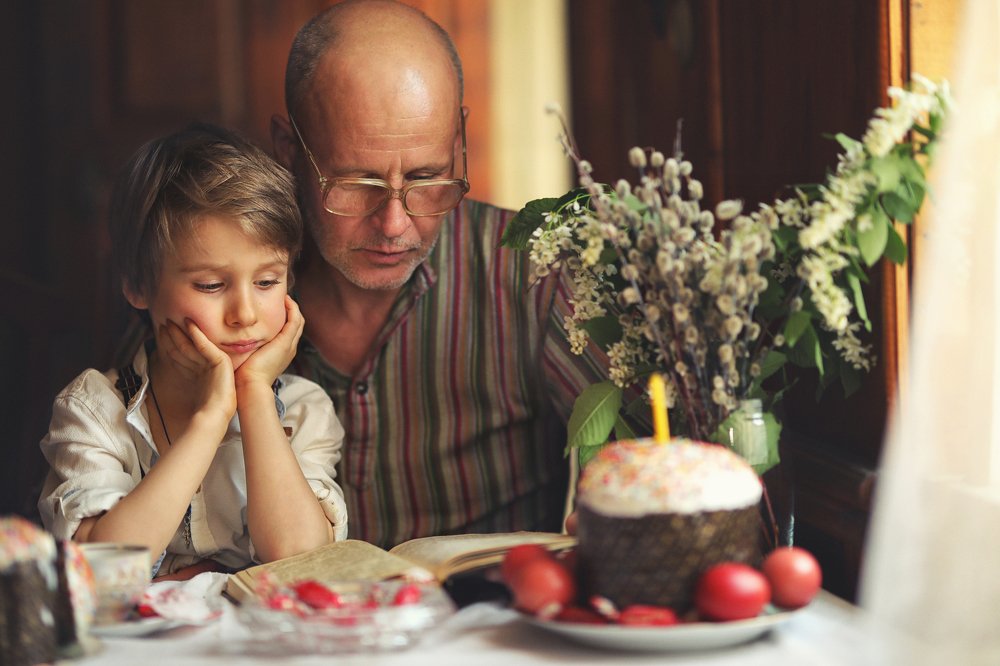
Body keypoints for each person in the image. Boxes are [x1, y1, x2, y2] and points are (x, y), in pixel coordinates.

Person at [270, 0, 609, 550]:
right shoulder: (223, 280)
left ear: (460, 140)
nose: (395, 224)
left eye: (429, 177)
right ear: (288, 151)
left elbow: (653, 461)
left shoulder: (535, 274)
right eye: (358, 183)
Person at [38, 124, 348, 579]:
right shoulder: (94, 409)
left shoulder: (301, 411)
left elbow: (300, 560)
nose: (244, 313)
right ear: (139, 286)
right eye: (210, 285)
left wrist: (254, 396)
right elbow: (103, 570)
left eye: (266, 281)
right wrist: (211, 418)